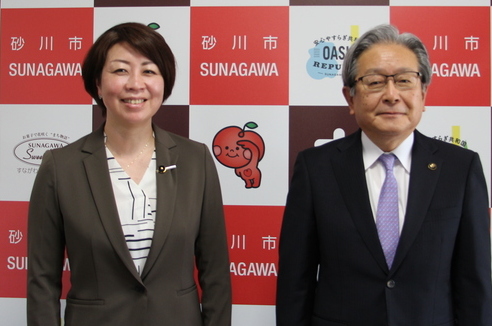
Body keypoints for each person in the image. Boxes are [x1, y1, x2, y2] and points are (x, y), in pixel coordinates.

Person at [276, 24, 492, 326]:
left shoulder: (460, 168)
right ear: (350, 98)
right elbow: (293, 284)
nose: (391, 95)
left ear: (423, 93)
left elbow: (475, 284)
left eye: (404, 80)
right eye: (375, 82)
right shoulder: (316, 168)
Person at [27, 22, 231, 326]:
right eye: (121, 70)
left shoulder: (195, 160)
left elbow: (215, 272)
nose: (135, 84)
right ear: (97, 83)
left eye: (149, 71)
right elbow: (42, 281)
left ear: (164, 83)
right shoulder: (61, 166)